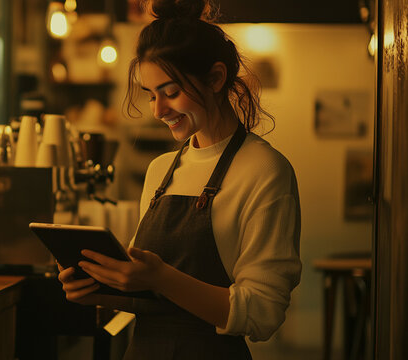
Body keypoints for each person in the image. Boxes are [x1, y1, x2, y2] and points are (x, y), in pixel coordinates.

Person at [57, 0, 301, 358]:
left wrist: (160, 277)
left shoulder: (265, 170)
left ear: (216, 78)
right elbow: (152, 298)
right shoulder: (160, 170)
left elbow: (263, 312)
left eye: (171, 92)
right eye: (151, 95)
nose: (158, 110)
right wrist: (99, 287)